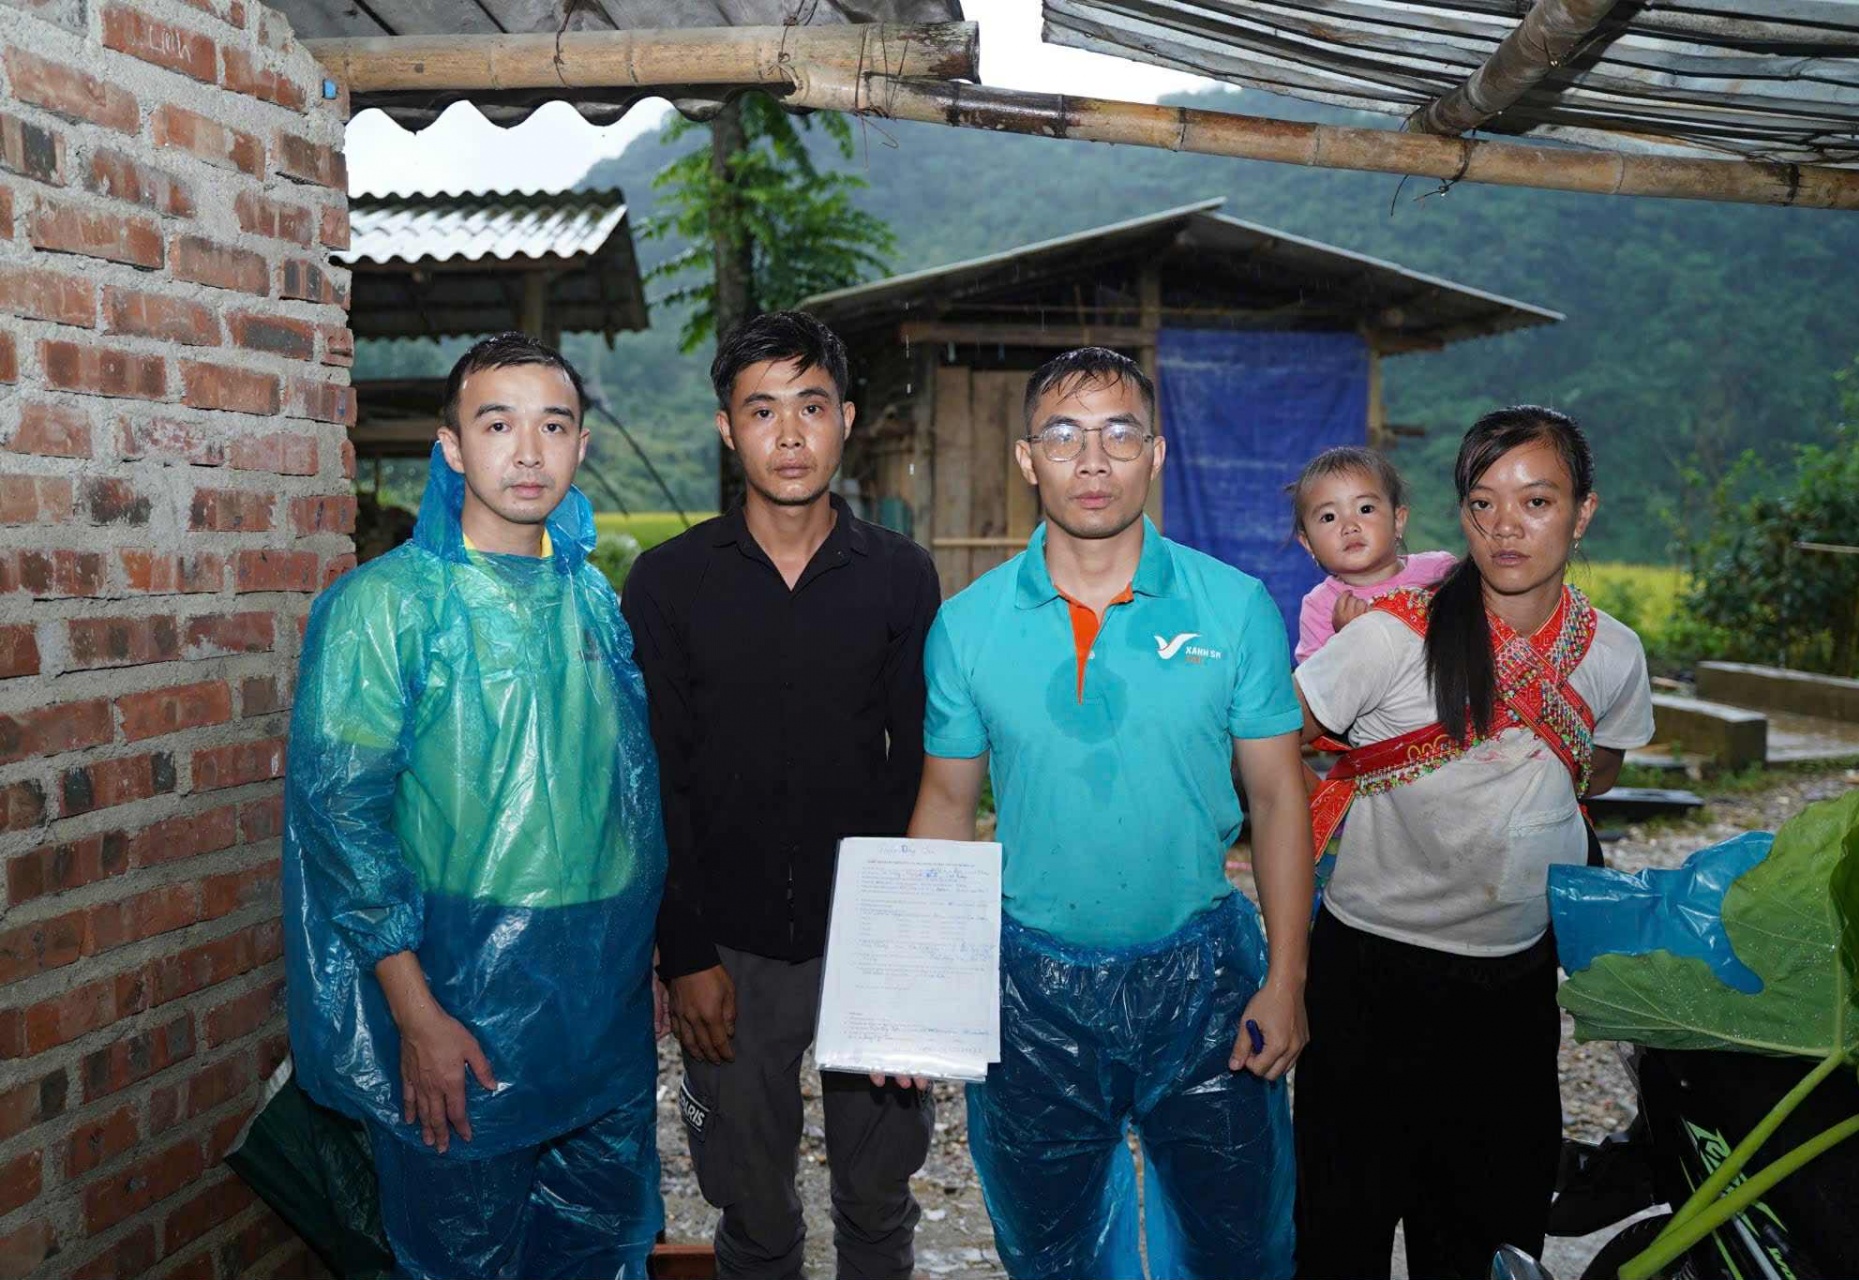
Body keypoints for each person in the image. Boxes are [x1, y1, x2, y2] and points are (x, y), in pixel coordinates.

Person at [905, 347, 1313, 1280]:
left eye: (1119, 434)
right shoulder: (968, 625)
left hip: (1206, 980)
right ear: (1027, 459)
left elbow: (1279, 797)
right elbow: (946, 804)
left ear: (1156, 453)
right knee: (1051, 1248)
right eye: (1064, 436)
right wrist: (921, 998)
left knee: (1237, 1243)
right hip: (1028, 990)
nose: (1092, 461)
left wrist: (1287, 978)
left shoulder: (1233, 608)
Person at [283, 333, 668, 1280]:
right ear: (452, 447)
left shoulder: (593, 601)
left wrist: (644, 961)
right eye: (498, 425)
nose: (528, 453)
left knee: (603, 1245)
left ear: (582, 446)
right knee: (461, 1254)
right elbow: (343, 821)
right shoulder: (384, 608)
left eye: (554, 426)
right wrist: (416, 1015)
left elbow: (625, 799)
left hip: (602, 1001)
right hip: (460, 992)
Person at [1289, 407, 1655, 1280]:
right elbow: (1272, 745)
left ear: (1583, 512)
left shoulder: (1613, 654)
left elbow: (1598, 768)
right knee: (1340, 1240)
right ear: (1459, 514)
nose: (1505, 527)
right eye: (1483, 503)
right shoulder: (1387, 636)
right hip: (1367, 979)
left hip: (1511, 992)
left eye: (1537, 501)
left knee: (1484, 1245)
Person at [623, 311, 941, 1280]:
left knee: (879, 1203)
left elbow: (922, 766)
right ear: (728, 428)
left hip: (867, 936)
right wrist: (685, 953)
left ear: (846, 419)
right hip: (730, 947)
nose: (790, 434)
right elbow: (658, 775)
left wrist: (908, 950)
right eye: (762, 411)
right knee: (751, 1205)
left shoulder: (900, 575)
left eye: (811, 406)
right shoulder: (669, 582)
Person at [1289, 445, 1455, 663]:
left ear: (1398, 520)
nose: (1349, 526)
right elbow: (1316, 681)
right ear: (1308, 543)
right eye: (1329, 517)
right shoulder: (1321, 608)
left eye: (1365, 509)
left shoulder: (1440, 572)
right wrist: (1347, 639)